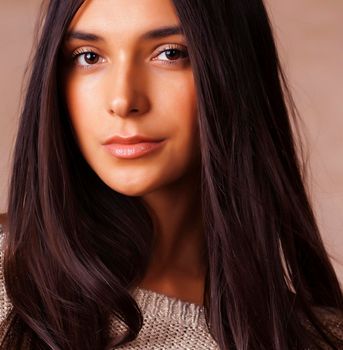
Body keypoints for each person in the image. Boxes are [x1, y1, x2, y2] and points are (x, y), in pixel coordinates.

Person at [0, 0, 342, 349]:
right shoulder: (6, 281)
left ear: (236, 70)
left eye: (170, 54)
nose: (122, 100)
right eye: (88, 56)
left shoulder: (320, 338)